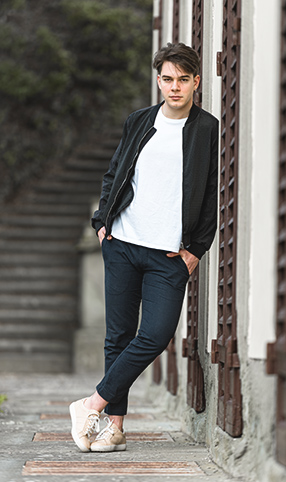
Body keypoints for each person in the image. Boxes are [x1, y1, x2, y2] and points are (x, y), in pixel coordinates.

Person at [69, 42, 219, 453]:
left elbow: (212, 194)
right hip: (123, 242)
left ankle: (91, 404)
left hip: (170, 255)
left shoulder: (207, 129)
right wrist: (102, 223)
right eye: (168, 79)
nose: (175, 87)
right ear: (158, 80)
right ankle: (113, 427)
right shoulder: (139, 121)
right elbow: (114, 172)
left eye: (183, 80)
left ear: (196, 82)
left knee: (155, 334)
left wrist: (197, 249)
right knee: (118, 337)